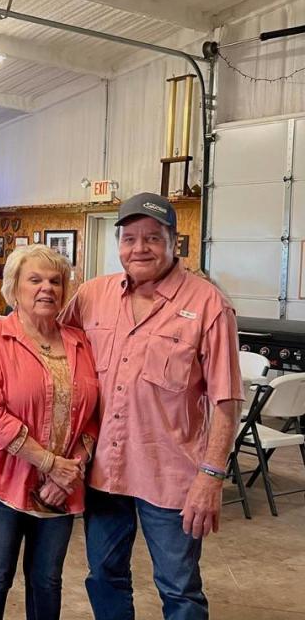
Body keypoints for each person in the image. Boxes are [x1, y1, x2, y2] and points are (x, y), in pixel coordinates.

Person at [61, 192, 243, 620]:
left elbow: (226, 401)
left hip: (172, 477)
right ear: (118, 243)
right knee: (104, 575)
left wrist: (211, 477)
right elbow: (50, 344)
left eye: (151, 238)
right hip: (104, 470)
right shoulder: (92, 295)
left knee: (179, 589)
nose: (138, 248)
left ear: (173, 242)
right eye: (129, 238)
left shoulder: (208, 305)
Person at [0, 244, 99, 620]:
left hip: (62, 486)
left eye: (55, 281)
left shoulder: (79, 342)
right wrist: (49, 463)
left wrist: (70, 468)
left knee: (46, 581)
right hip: (2, 482)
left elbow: (93, 413)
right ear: (15, 287)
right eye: (35, 279)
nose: (47, 288)